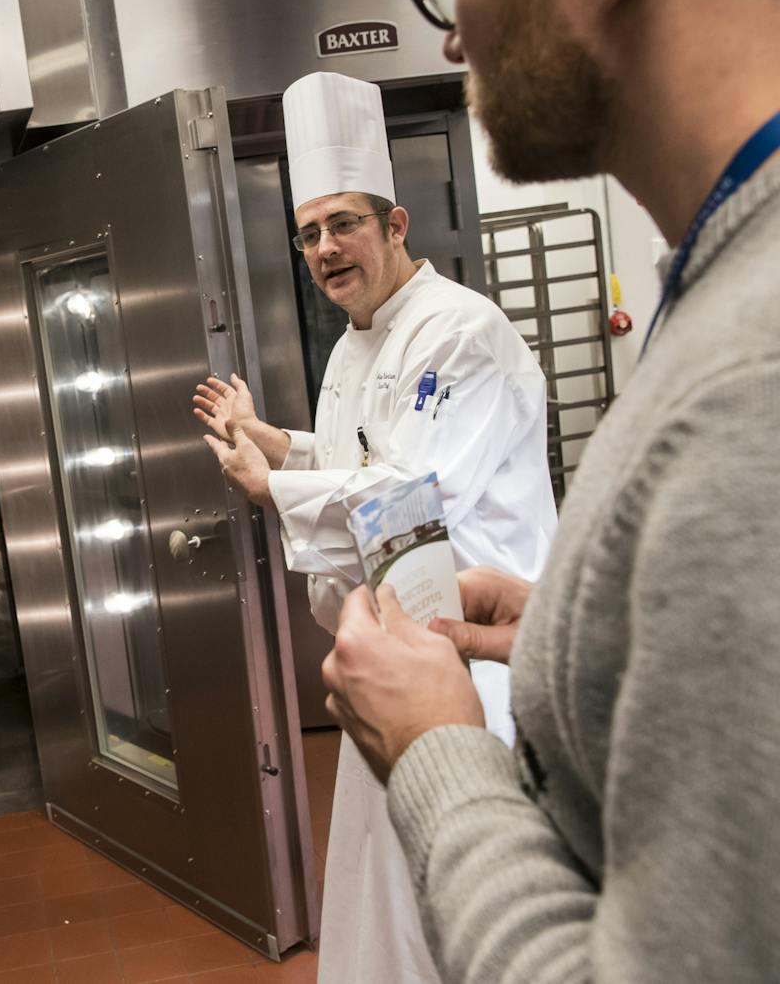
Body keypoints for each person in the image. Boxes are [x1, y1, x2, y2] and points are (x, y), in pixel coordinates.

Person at [323, 0, 780, 981]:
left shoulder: (751, 375)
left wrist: (435, 754)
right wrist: (583, 638)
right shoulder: (722, 291)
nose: (450, 29)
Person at [194, 70, 556, 984]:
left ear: (397, 225)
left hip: (474, 665)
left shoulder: (459, 333)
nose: (325, 247)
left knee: (461, 900)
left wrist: (271, 487)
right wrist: (282, 442)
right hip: (393, 652)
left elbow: (414, 499)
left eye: (345, 223)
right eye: (310, 232)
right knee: (381, 895)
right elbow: (371, 453)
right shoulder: (358, 341)